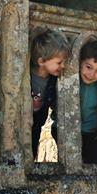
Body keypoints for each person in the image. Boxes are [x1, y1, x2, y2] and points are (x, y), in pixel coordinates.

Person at [30, 29, 70, 159]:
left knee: (31, 153)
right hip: (24, 122)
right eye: (59, 62)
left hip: (37, 125)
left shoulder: (54, 80)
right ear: (41, 61)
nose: (63, 66)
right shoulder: (27, 75)